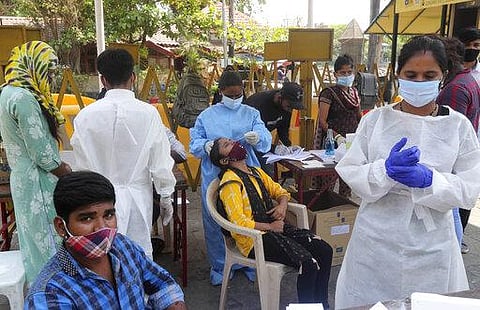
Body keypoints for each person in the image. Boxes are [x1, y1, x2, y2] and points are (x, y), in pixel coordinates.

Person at [334, 35, 480, 309]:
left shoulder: (458, 126)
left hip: (431, 243)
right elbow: (351, 170)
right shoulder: (375, 121)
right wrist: (383, 171)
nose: (420, 82)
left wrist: (431, 181)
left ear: (443, 76)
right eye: (411, 74)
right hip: (376, 242)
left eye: (429, 75)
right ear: (397, 74)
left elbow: (470, 187)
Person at [25, 171, 186, 309]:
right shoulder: (50, 294)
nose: (101, 228)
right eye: (87, 218)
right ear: (61, 227)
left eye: (108, 215)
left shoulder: (123, 247)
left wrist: (174, 303)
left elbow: (162, 284)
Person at [71, 48, 176, 259]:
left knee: (104, 260)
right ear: (133, 77)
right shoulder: (148, 113)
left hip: (99, 205)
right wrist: (166, 195)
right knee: (137, 260)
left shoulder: (84, 117)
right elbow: (160, 162)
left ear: (103, 80)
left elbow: (82, 169)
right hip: (138, 199)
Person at [210, 137, 332, 307]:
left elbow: (280, 191)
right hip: (253, 240)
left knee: (325, 251)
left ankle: (322, 304)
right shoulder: (230, 182)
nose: (234, 143)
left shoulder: (256, 172)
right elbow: (238, 222)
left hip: (275, 229)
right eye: (227, 145)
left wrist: (282, 206)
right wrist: (270, 227)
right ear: (225, 160)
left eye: (231, 141)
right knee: (308, 264)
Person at [190, 70, 272, 285]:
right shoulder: (206, 116)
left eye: (239, 95)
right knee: (216, 218)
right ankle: (220, 265)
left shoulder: (251, 113)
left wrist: (258, 138)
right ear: (221, 92)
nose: (235, 99)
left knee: (249, 214)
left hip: (246, 171)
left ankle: (250, 261)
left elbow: (265, 139)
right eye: (231, 95)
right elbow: (194, 143)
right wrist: (206, 146)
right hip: (215, 173)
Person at [0, 41, 72, 284]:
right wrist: (66, 171)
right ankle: (52, 294)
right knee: (48, 243)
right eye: (48, 71)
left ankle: (41, 292)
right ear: (33, 65)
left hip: (24, 180)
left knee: (34, 245)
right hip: (38, 184)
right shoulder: (24, 99)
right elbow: (41, 154)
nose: (50, 78)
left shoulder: (7, 92)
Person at [436, 36, 480, 255]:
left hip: (449, 166)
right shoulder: (468, 80)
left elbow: (447, 132)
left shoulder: (455, 88)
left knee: (450, 215)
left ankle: (452, 251)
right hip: (455, 165)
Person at [313, 54, 362, 198]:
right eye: (342, 72)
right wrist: (337, 137)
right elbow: (322, 121)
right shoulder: (329, 94)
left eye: (349, 72)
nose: (346, 75)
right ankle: (325, 211)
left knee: (347, 180)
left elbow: (359, 117)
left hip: (350, 143)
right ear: (335, 74)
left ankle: (344, 210)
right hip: (332, 143)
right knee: (328, 181)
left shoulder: (354, 93)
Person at [245, 82, 304, 175]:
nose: (290, 110)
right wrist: (273, 148)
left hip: (263, 144)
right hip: (248, 142)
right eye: (289, 106)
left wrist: (288, 147)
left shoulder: (286, 108)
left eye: (293, 107)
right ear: (280, 96)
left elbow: (283, 128)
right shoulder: (258, 104)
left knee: (269, 173)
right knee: (264, 172)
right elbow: (251, 137)